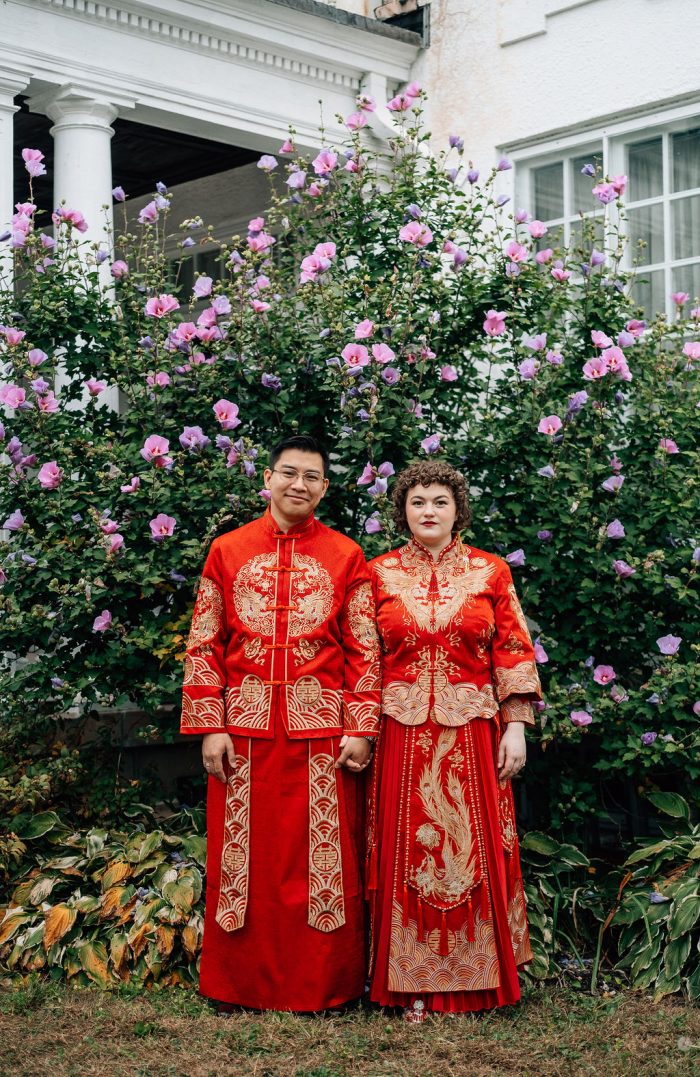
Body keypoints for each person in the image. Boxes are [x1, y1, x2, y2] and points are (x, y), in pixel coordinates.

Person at [180, 434, 380, 1011]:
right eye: (288, 472)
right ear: (266, 478)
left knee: (324, 858)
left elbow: (365, 650)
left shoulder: (346, 555)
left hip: (322, 731)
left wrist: (361, 726)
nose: (299, 484)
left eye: (311, 476)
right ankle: (236, 986)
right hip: (242, 728)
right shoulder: (228, 550)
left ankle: (326, 987)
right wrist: (210, 724)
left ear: (324, 487)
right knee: (243, 857)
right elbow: (203, 643)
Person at [366, 460, 541, 1020]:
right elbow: (364, 661)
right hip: (401, 730)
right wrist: (361, 730)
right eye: (417, 502)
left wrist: (515, 726)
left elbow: (512, 649)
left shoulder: (490, 573)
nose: (428, 512)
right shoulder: (377, 575)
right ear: (402, 511)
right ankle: (405, 986)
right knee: (405, 850)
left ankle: (481, 982)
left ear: (457, 509)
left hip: (472, 732)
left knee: (477, 852)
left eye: (439, 501)